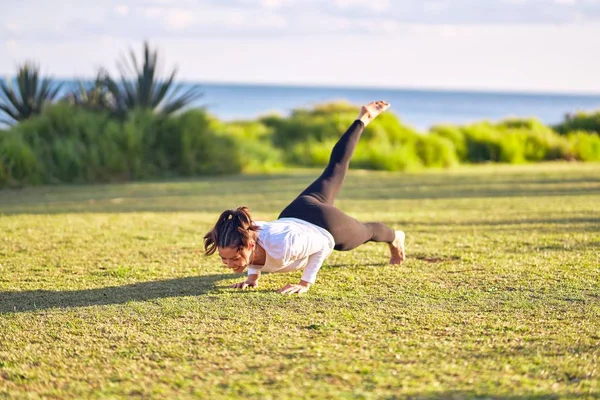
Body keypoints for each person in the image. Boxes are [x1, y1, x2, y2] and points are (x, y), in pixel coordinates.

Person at [203, 100, 405, 295]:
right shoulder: (245, 232)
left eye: (234, 258)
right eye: (224, 259)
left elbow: (324, 245)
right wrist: (252, 279)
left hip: (324, 225)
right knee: (334, 169)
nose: (229, 264)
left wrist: (305, 283)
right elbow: (254, 254)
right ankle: (363, 118)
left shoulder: (284, 245)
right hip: (298, 211)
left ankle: (396, 237)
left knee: (363, 233)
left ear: (249, 245)